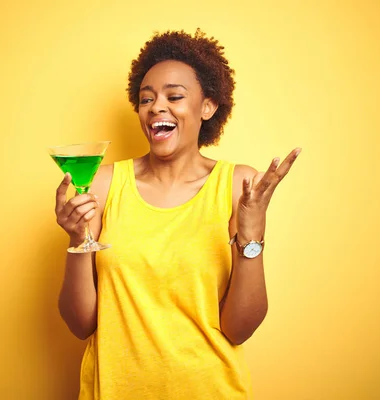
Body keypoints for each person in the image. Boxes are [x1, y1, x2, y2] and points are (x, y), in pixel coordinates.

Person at [54, 29, 301, 399]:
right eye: (146, 99)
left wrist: (251, 240)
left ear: (208, 107)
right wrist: (76, 242)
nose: (156, 107)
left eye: (175, 96)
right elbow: (80, 323)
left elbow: (239, 329)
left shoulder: (238, 186)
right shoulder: (104, 185)